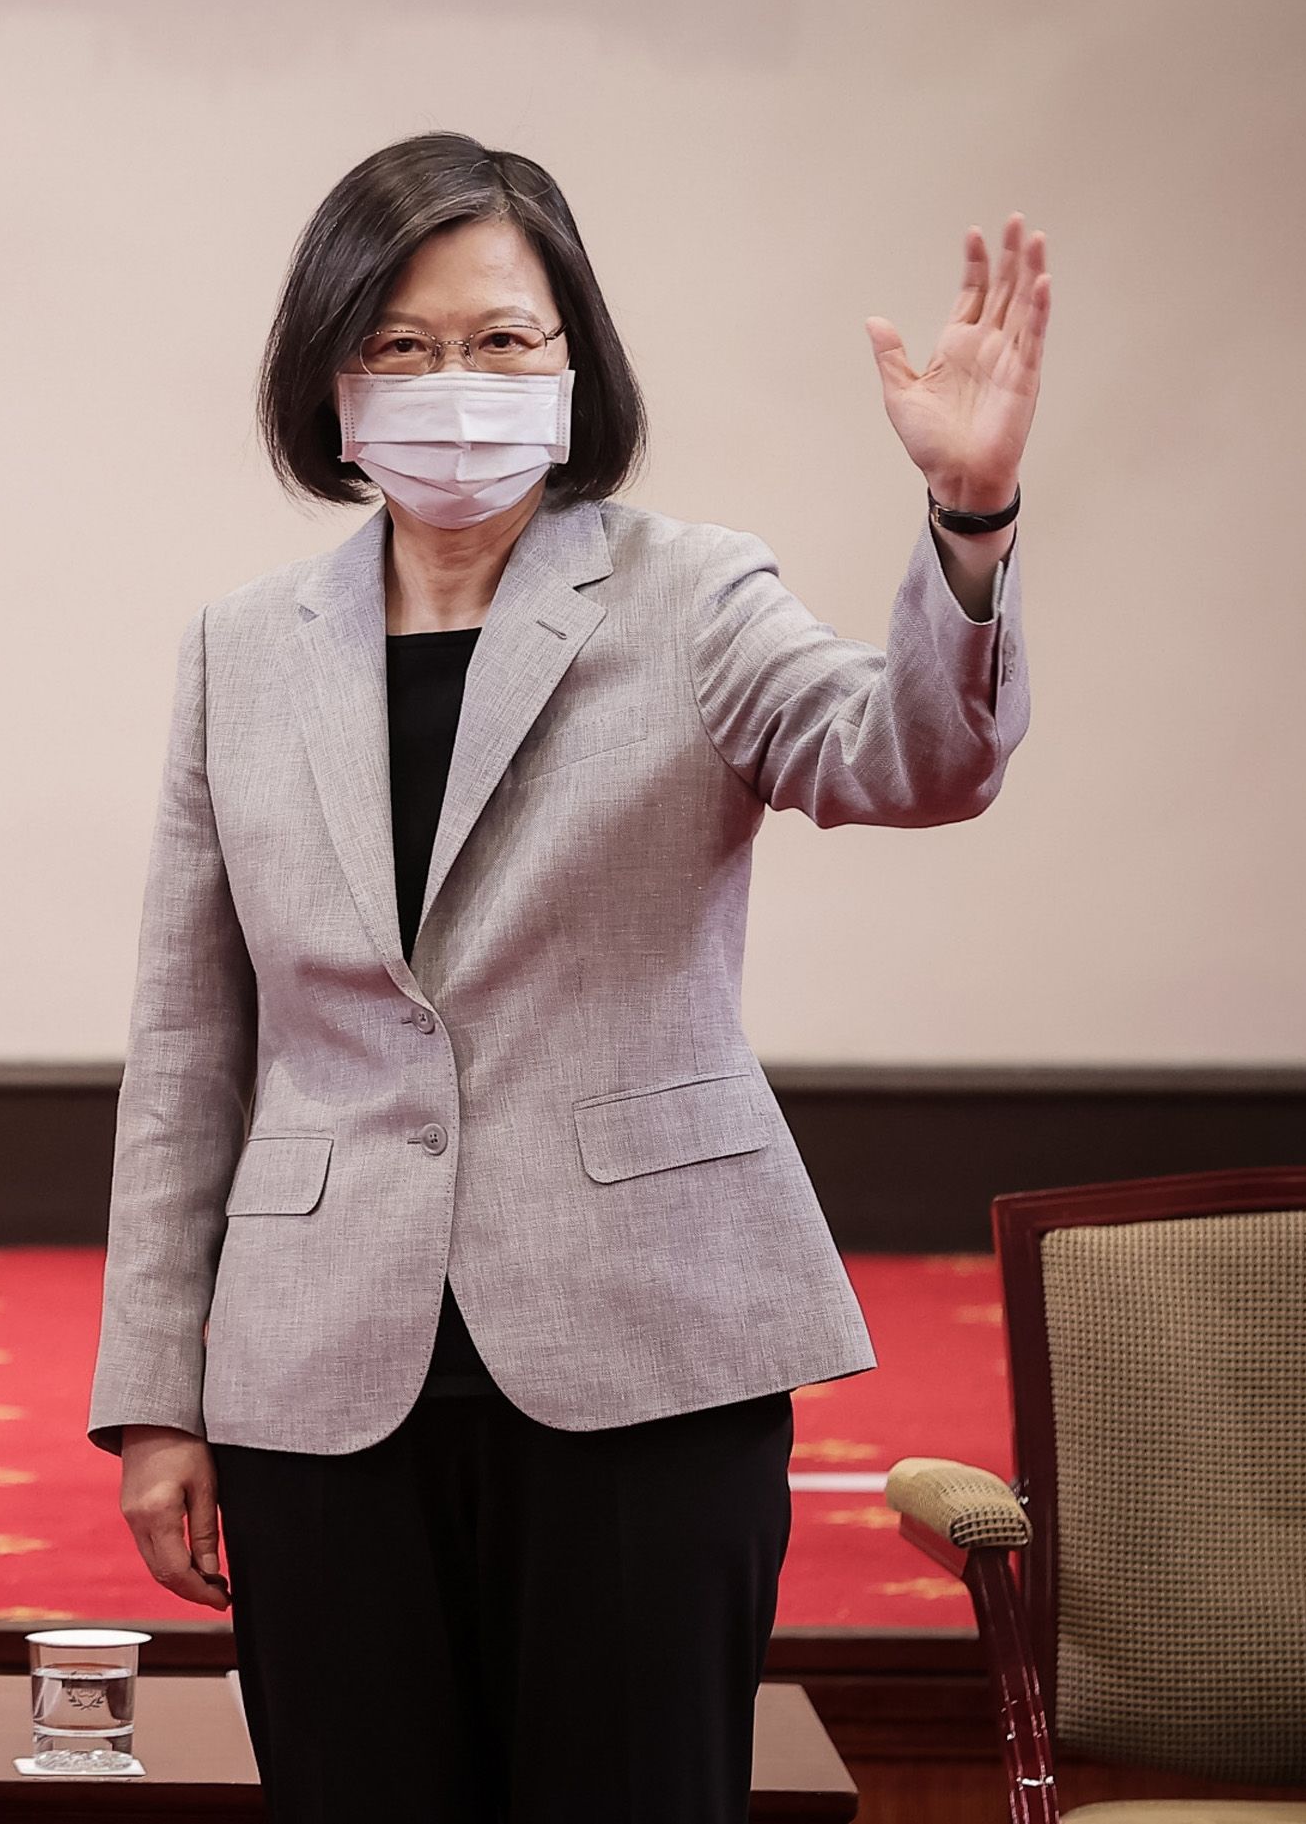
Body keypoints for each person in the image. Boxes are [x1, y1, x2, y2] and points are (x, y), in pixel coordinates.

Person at [89, 134, 1044, 1821]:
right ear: (330, 382)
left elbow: (913, 756)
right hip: (320, 1373)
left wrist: (969, 517)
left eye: (503, 340)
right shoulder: (242, 648)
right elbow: (188, 1047)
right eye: (402, 345)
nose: (456, 383)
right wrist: (156, 1397)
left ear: (575, 361)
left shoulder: (692, 595)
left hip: (647, 1355)